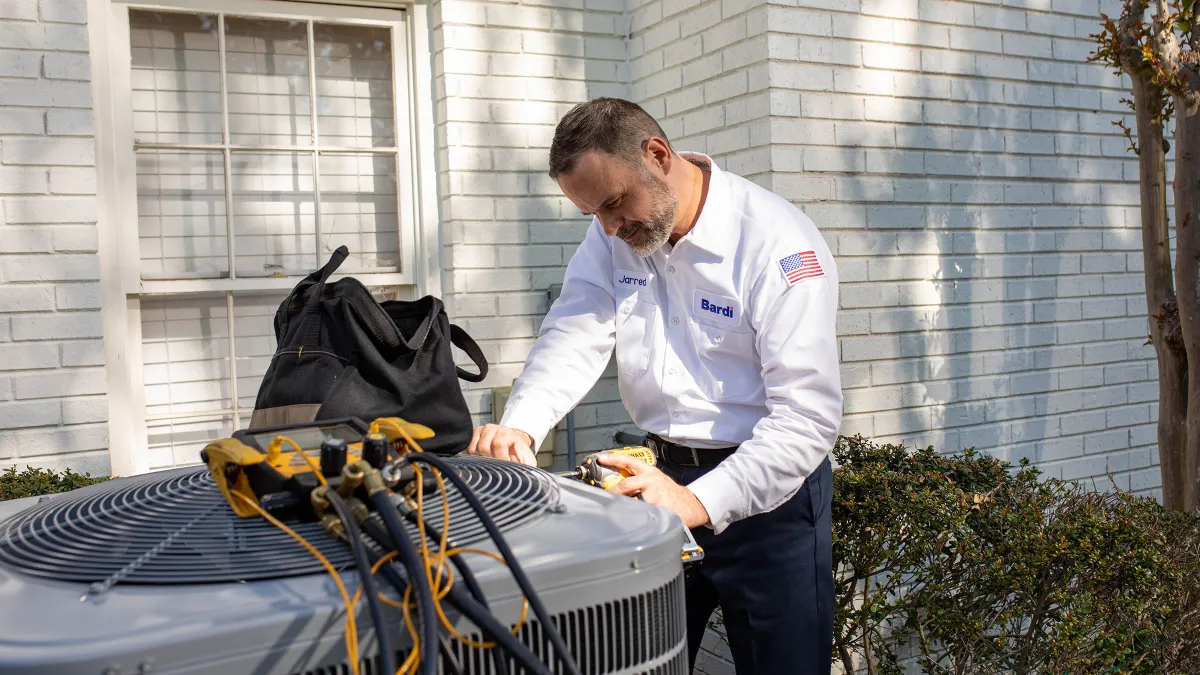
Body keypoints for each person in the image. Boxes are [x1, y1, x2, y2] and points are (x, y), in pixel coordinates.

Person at [466, 97, 842, 675]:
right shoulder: (614, 232)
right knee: (634, 661)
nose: (611, 228)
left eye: (614, 203)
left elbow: (807, 419)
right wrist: (523, 423)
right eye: (593, 214)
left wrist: (696, 500)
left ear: (658, 156)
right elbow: (576, 327)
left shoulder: (777, 244)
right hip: (657, 480)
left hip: (772, 503)